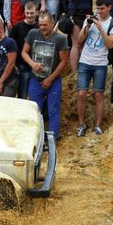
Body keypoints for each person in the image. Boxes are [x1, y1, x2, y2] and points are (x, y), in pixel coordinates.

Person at [76, 0, 113, 136]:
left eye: (102, 9)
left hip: (100, 63)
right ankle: (81, 125)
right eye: (98, 8)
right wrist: (87, 25)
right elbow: (79, 40)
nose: (99, 11)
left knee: (98, 95)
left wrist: (101, 29)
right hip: (85, 60)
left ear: (109, 8)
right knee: (81, 93)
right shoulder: (90, 19)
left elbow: (111, 44)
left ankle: (98, 125)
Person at [22, 11, 69, 139]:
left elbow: (64, 61)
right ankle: (35, 138)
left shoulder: (60, 39)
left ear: (52, 24)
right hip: (35, 79)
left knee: (53, 110)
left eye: (45, 25)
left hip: (53, 80)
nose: (42, 28)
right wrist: (32, 64)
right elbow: (24, 52)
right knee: (35, 110)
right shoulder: (33, 34)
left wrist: (50, 79)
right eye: (40, 25)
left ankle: (53, 138)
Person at [66, 0, 96, 72]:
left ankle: (84, 70)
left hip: (86, 13)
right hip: (75, 14)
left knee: (85, 42)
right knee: (76, 43)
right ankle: (74, 72)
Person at [9, 1, 39, 98]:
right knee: (22, 92)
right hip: (21, 65)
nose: (29, 15)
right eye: (27, 13)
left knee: (35, 93)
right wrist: (14, 64)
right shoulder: (18, 26)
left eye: (31, 13)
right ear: (24, 12)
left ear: (36, 12)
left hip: (37, 64)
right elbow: (11, 46)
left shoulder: (40, 26)